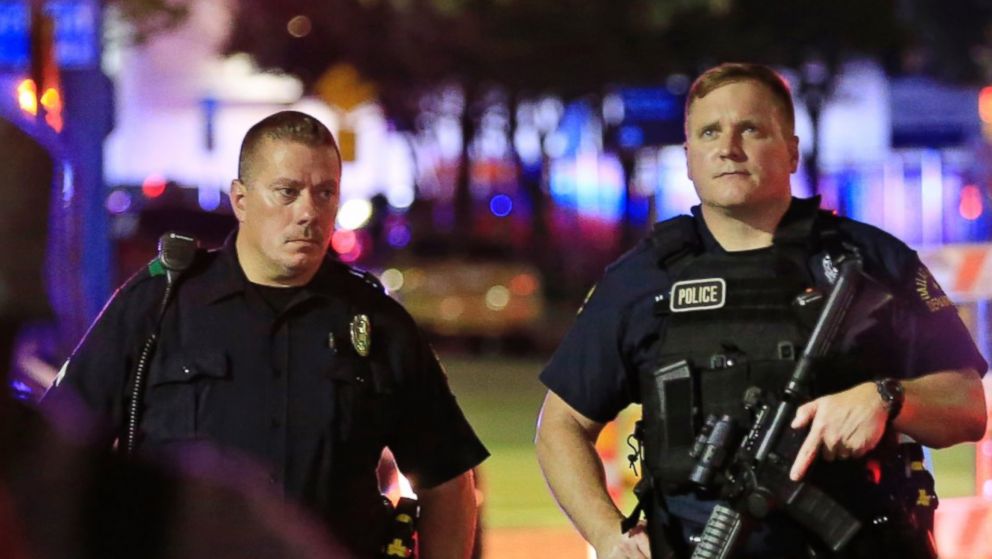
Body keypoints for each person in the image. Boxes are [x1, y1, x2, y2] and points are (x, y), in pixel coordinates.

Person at [535, 63, 988, 559]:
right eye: (710, 132)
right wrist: (607, 534)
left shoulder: (873, 261)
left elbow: (967, 409)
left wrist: (887, 398)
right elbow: (561, 426)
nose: (728, 147)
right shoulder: (641, 280)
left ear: (791, 149)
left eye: (750, 128)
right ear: (689, 158)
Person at [43, 110, 489, 558]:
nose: (308, 212)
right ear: (240, 199)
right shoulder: (159, 305)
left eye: (324, 193)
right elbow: (58, 458)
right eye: (287, 192)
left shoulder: (376, 323)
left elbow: (448, 479)